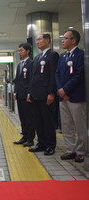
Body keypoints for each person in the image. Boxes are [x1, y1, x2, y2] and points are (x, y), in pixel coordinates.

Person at [55, 30, 87, 162]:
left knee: (80, 125)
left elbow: (80, 74)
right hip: (63, 97)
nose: (63, 40)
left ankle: (81, 151)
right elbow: (57, 74)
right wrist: (60, 89)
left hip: (76, 96)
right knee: (66, 125)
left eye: (65, 38)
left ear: (73, 41)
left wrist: (66, 89)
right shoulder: (62, 57)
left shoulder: (82, 55)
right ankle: (70, 150)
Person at [27, 33, 59, 156]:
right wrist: (30, 92)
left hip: (46, 95)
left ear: (47, 40)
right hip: (35, 95)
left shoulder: (52, 55)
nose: (37, 42)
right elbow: (33, 78)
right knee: (38, 120)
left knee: (48, 120)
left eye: (40, 39)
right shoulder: (37, 58)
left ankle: (50, 145)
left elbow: (53, 76)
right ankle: (41, 143)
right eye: (37, 40)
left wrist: (51, 93)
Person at [13, 43, 35, 147]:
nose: (19, 53)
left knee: (29, 117)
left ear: (27, 51)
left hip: (27, 95)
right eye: (19, 51)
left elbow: (32, 80)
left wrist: (30, 93)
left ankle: (30, 139)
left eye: (21, 50)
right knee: (22, 117)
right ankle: (24, 136)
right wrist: (15, 92)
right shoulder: (19, 65)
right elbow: (17, 80)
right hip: (20, 95)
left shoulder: (31, 63)